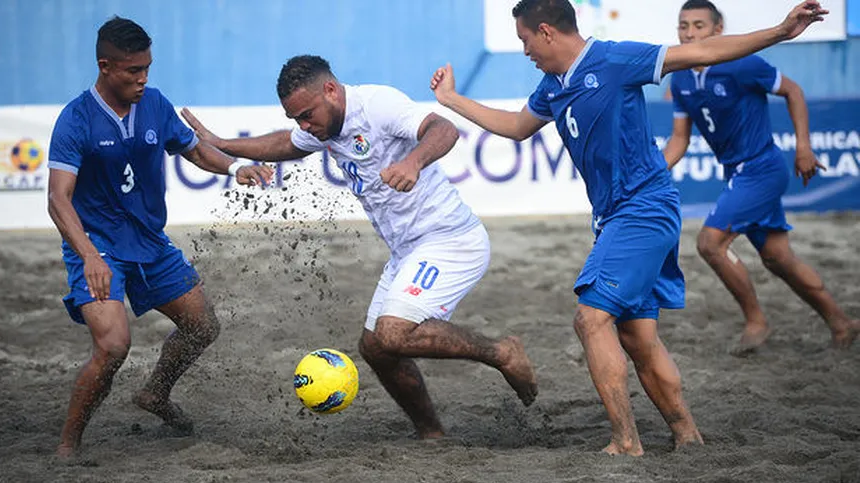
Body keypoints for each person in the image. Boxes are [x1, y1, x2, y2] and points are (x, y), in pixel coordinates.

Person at [430, 0, 829, 456]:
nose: (524, 51)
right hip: (616, 218)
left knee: (591, 318)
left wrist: (780, 31)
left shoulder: (615, 58)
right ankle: (687, 436)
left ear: (545, 31)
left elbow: (703, 54)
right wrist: (452, 101)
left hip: (643, 210)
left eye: (524, 40)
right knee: (638, 337)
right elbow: (519, 126)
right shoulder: (552, 85)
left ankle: (625, 441)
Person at [180, 55, 538, 439]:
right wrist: (222, 144)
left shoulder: (377, 105)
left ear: (331, 90)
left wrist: (413, 163)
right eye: (296, 118)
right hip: (407, 251)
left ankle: (502, 352)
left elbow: (444, 128)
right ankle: (432, 433)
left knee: (393, 333)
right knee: (375, 348)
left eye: (306, 114)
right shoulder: (321, 126)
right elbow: (288, 143)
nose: (304, 125)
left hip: (449, 240)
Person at [47, 16, 271, 457]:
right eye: (133, 70)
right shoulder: (75, 120)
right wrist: (89, 255)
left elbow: (192, 148)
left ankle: (155, 394)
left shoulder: (155, 104)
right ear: (105, 66)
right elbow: (58, 199)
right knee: (113, 346)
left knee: (202, 325)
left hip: (149, 242)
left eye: (148, 68)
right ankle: (67, 445)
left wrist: (233, 166)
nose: (143, 78)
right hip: (99, 246)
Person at [662, 0, 859, 355]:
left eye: (698, 26)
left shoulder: (742, 63)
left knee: (710, 243)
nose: (689, 33)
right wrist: (653, 172)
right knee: (779, 259)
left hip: (762, 169)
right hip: (736, 175)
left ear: (717, 30)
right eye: (683, 26)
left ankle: (756, 320)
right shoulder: (680, 77)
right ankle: (841, 322)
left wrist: (803, 147)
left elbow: (793, 91)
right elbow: (679, 139)